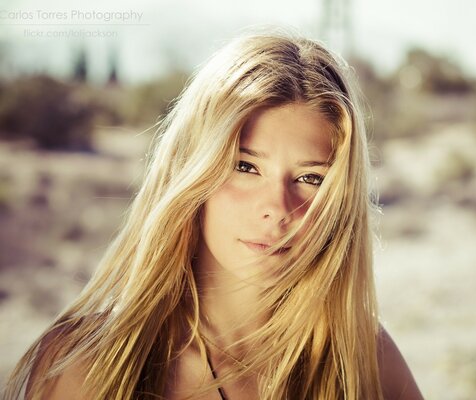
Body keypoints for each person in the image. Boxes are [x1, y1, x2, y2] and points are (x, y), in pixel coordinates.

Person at [3, 28, 423, 400]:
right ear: (193, 171)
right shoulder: (85, 364)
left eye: (311, 178)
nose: (277, 209)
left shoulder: (362, 358)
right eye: (245, 167)